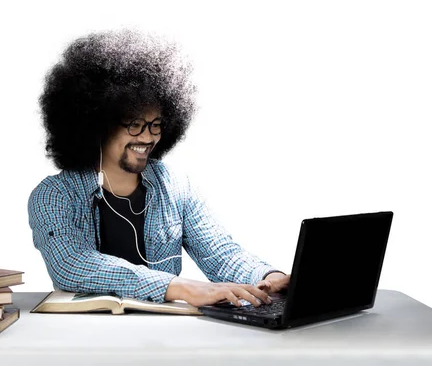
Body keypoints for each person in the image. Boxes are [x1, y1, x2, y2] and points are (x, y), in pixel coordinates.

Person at [28, 29, 290, 308]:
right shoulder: (53, 195)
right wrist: (179, 287)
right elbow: (71, 264)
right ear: (97, 124)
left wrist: (268, 276)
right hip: (83, 340)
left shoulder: (175, 186)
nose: (147, 137)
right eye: (134, 124)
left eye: (155, 125)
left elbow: (219, 253)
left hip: (163, 338)